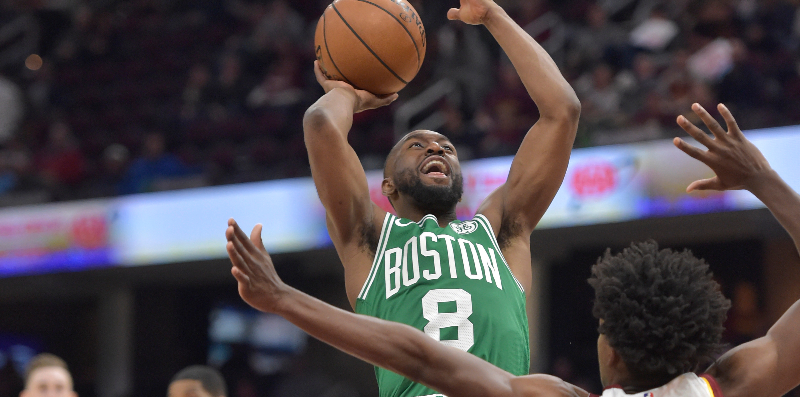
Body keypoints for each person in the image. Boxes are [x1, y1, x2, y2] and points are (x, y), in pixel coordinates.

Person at [226, 102, 800, 397]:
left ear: (613, 358)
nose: (435, 148)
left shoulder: (556, 393)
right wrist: (766, 182)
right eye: (420, 144)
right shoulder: (733, 385)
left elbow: (423, 358)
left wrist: (281, 299)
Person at [279, 0, 580, 394]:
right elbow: (321, 125)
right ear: (386, 187)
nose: (435, 148)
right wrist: (351, 92)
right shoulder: (368, 235)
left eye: (446, 147)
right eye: (415, 145)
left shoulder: (499, 230)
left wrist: (493, 15)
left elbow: (563, 110)